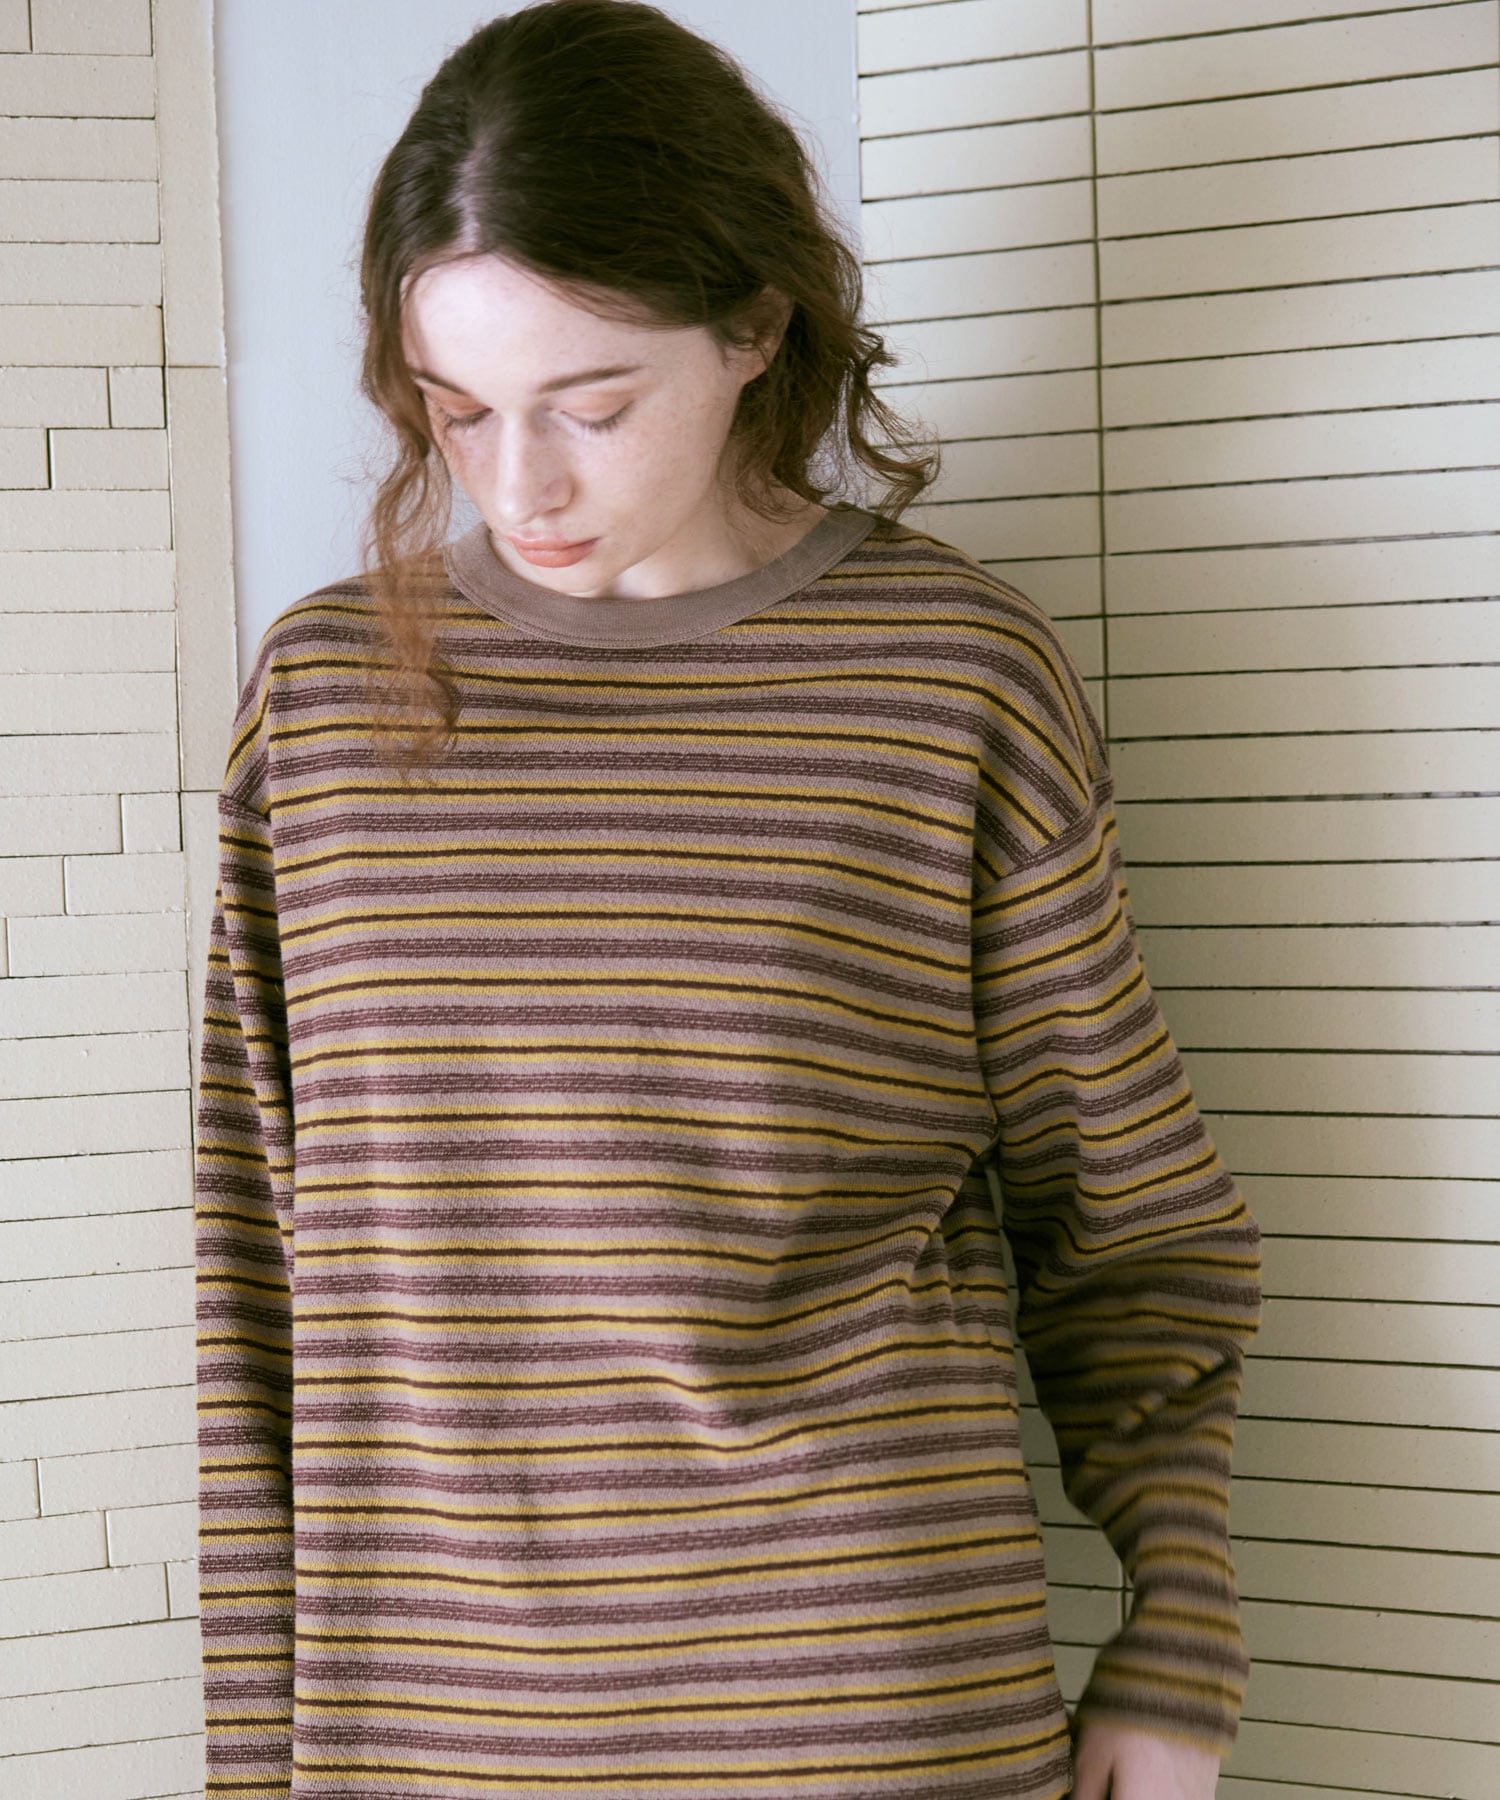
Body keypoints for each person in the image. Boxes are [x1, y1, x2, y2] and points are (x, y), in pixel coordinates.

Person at [191, 4, 1262, 1797]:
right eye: (459, 412)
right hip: (433, 1726)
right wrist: (254, 1758)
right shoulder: (325, 700)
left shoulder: (952, 678)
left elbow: (1127, 1219)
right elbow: (255, 1274)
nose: (520, 484)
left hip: (876, 1713)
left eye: (593, 405)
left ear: (757, 326)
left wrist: (1181, 1630)